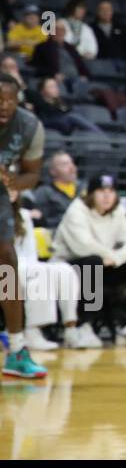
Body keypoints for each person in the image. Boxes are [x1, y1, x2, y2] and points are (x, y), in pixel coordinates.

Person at [52, 172, 126, 347]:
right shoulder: (76, 211)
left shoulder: (117, 212)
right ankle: (85, 325)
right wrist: (111, 256)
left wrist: (115, 258)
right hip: (67, 268)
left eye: (111, 191)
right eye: (101, 191)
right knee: (92, 262)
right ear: (91, 194)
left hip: (105, 264)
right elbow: (83, 247)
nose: (107, 196)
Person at [0, 73, 49, 378]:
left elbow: (33, 175)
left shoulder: (30, 126)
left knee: (7, 262)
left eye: (9, 100)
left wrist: (13, 181)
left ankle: (17, 349)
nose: (3, 105)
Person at [13, 205, 99, 350]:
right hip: (6, 269)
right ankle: (32, 331)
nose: (12, 192)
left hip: (25, 264)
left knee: (65, 270)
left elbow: (30, 252)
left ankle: (70, 329)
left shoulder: (23, 215)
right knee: (40, 273)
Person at [22, 150, 81, 228]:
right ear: (53, 171)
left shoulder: (84, 189)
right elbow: (42, 221)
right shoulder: (43, 193)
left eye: (72, 163)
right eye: (64, 164)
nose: (72, 168)